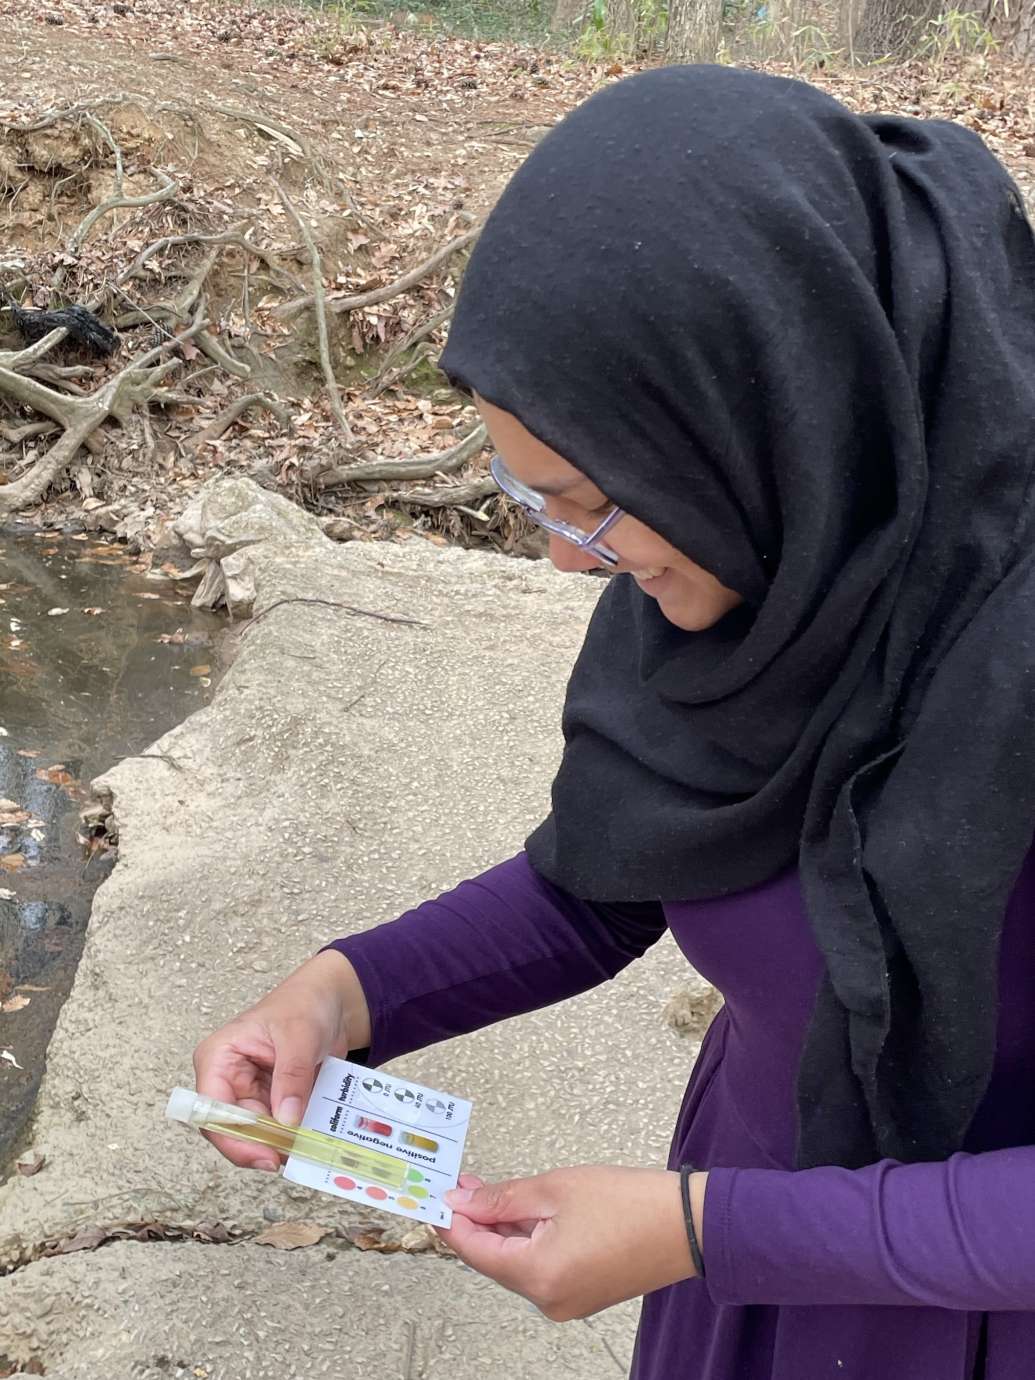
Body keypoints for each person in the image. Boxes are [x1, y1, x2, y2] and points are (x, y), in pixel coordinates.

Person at [193, 64, 1035, 1380]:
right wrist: (342, 996)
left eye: (592, 501)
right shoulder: (764, 555)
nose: (570, 565)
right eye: (534, 502)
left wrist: (710, 1226)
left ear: (757, 408)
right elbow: (622, 870)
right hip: (742, 1258)